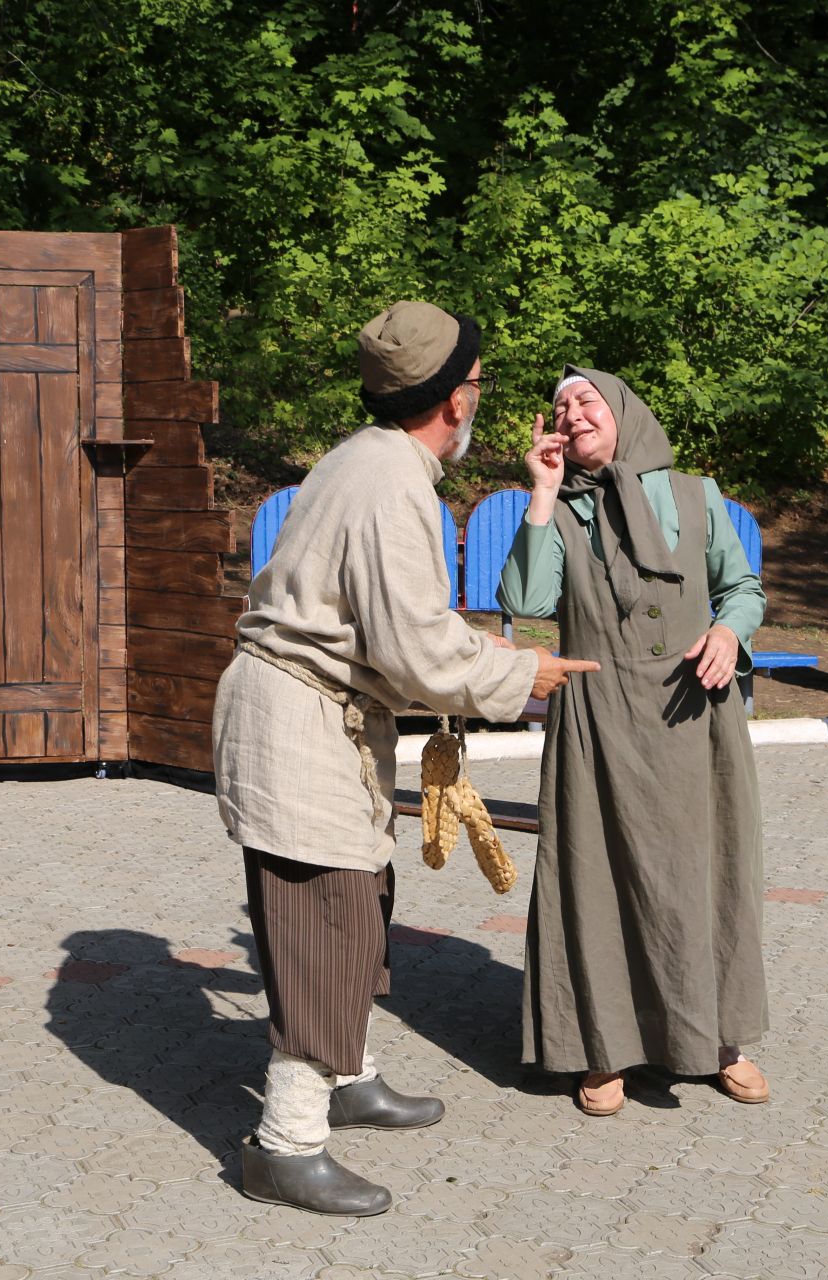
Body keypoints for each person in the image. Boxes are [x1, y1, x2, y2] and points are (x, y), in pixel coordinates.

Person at [213, 304, 598, 1216]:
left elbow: (393, 623)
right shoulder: (395, 485)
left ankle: (350, 1076)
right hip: (301, 726)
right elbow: (415, 650)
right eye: (477, 384)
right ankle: (285, 1145)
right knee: (327, 928)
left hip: (315, 718)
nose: (478, 399)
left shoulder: (365, 455)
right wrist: (523, 673)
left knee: (362, 901)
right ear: (454, 399)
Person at [498, 365, 770, 1118]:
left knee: (704, 873)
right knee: (597, 881)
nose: (571, 410)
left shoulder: (694, 495)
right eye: (560, 404)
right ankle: (603, 1047)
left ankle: (718, 1041)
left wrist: (726, 630)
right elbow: (524, 601)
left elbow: (743, 590)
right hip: (597, 716)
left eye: (585, 398)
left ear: (623, 412)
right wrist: (544, 495)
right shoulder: (562, 508)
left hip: (694, 714)